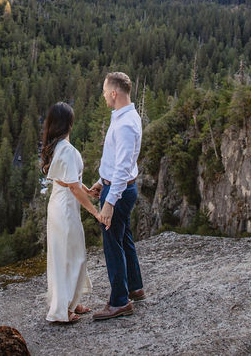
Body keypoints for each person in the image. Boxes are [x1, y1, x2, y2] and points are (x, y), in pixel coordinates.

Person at [89, 71, 145, 321]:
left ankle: (119, 301)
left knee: (112, 244)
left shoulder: (124, 124)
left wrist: (110, 201)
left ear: (114, 93)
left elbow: (123, 167)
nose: (103, 95)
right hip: (118, 186)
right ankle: (135, 287)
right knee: (124, 239)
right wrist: (103, 181)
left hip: (119, 191)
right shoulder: (127, 116)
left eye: (104, 91)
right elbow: (118, 161)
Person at [41, 102, 99, 324]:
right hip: (65, 209)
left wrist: (88, 191)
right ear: (69, 123)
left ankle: (70, 303)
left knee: (66, 255)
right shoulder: (67, 150)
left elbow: (69, 180)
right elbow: (72, 186)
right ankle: (61, 309)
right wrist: (95, 211)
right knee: (71, 256)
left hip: (59, 205)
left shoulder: (57, 148)